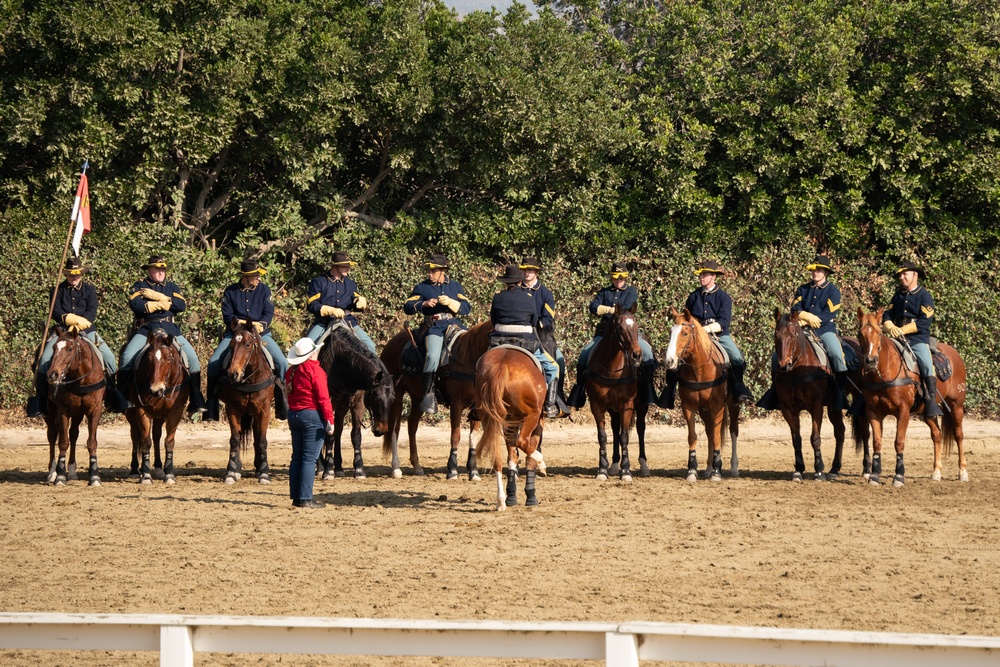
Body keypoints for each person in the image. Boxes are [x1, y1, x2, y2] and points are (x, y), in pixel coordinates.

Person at [27, 256, 128, 417]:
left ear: (81, 274)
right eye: (70, 274)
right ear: (66, 275)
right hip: (61, 331)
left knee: (109, 359)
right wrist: (67, 319)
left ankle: (112, 396)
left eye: (77, 274)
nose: (74, 277)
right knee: (44, 361)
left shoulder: (89, 290)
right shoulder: (57, 291)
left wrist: (79, 323)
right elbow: (55, 311)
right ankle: (41, 401)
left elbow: (91, 311)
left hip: (85, 330)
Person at [758, 255, 849, 411]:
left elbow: (830, 314)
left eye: (819, 270)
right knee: (776, 357)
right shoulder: (803, 288)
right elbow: (795, 308)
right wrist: (805, 316)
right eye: (814, 270)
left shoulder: (833, 291)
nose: (815, 273)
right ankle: (775, 391)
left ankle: (840, 392)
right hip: (801, 329)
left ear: (826, 272)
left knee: (836, 354)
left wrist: (813, 319)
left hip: (824, 329)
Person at [118, 255, 207, 415]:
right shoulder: (139, 285)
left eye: (163, 269)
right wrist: (156, 304)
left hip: (170, 329)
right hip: (146, 329)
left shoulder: (172, 287)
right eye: (157, 269)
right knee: (127, 356)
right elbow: (135, 304)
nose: (160, 272)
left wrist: (162, 297)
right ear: (149, 270)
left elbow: (181, 305)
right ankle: (122, 398)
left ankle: (196, 398)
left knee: (193, 359)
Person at [660, 260, 753, 408]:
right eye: (700, 274)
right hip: (694, 337)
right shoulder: (693, 296)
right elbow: (686, 318)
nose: (701, 277)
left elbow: (724, 322)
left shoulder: (723, 297)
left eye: (705, 274)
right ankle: (669, 391)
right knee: (675, 357)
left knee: (737, 357)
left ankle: (739, 388)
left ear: (714, 277)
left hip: (719, 335)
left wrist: (706, 329)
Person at [205, 259, 289, 422]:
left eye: (258, 275)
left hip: (260, 334)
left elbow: (268, 313)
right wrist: (240, 323)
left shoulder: (264, 290)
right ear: (246, 277)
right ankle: (211, 405)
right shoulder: (230, 292)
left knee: (282, 362)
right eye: (255, 276)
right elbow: (227, 315)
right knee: (213, 362)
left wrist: (261, 325)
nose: (258, 278)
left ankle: (282, 403)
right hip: (235, 334)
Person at [566, 261, 658, 409]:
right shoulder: (604, 292)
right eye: (616, 278)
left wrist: (607, 310)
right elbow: (593, 307)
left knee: (647, 354)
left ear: (625, 278)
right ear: (612, 278)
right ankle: (580, 390)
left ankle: (648, 391)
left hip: (627, 333)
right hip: (606, 335)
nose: (619, 280)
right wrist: (610, 310)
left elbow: (625, 309)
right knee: (584, 354)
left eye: (621, 278)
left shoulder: (631, 292)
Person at [489, 265, 562, 418]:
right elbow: (534, 320)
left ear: (505, 282)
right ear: (519, 281)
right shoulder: (528, 299)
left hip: (499, 341)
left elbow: (493, 320)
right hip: (526, 341)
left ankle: (478, 403)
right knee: (553, 367)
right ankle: (549, 406)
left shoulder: (497, 297)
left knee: (479, 366)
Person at [402, 253, 471, 414]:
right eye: (429, 271)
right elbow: (407, 305)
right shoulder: (422, 287)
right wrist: (423, 303)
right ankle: (428, 394)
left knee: (471, 349)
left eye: (433, 271)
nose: (430, 274)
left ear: (442, 271)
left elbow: (467, 307)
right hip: (434, 326)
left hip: (454, 325)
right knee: (432, 355)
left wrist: (453, 304)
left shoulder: (454, 286)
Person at [882, 261, 943, 418]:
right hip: (896, 339)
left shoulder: (924, 296)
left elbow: (924, 321)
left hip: (917, 339)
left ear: (915, 275)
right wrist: (890, 326)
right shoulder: (898, 296)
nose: (902, 277)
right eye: (900, 275)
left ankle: (930, 401)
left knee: (926, 364)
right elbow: (887, 314)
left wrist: (903, 330)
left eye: (905, 274)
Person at [285, 337, 335, 509]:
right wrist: (330, 419)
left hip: (294, 414)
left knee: (297, 457)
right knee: (309, 459)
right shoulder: (315, 371)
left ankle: (297, 497)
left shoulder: (291, 371)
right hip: (312, 416)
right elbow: (323, 398)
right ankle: (306, 498)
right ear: (313, 353)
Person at [520, 255, 569, 417]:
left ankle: (555, 400)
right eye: (524, 270)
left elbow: (548, 319)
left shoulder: (545, 293)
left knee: (558, 362)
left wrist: (532, 323)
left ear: (536, 272)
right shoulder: (516, 289)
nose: (527, 273)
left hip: (541, 336)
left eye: (530, 270)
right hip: (517, 334)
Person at [304, 250, 376, 355]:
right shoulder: (319, 282)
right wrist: (329, 310)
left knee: (370, 347)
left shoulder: (350, 283)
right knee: (306, 349)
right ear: (335, 266)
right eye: (344, 265)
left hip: (347, 321)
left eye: (348, 265)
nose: (348, 268)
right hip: (324, 322)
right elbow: (311, 304)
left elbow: (355, 300)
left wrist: (360, 302)